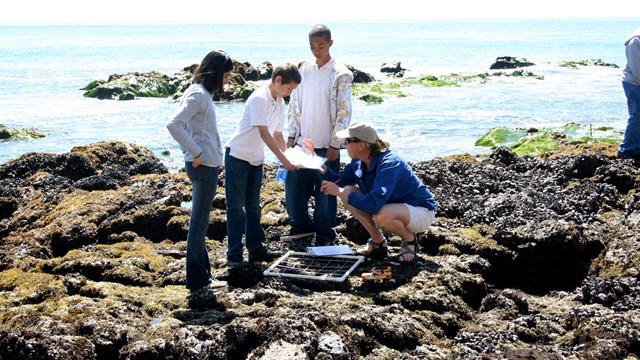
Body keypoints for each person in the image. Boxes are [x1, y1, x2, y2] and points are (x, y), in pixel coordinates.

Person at [317, 122, 437, 265]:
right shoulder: (358, 161)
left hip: (420, 212)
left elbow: (373, 205)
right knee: (348, 191)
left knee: (381, 214)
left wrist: (339, 191)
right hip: (389, 208)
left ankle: (409, 239)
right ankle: (378, 242)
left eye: (348, 141)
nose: (344, 144)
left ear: (361, 144)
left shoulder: (390, 163)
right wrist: (317, 164)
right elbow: (340, 182)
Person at [166, 50, 233, 293]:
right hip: (202, 166)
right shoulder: (198, 94)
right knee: (199, 224)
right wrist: (196, 153)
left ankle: (203, 276)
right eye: (225, 75)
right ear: (215, 73)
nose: (228, 80)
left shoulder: (201, 92)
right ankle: (197, 281)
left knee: (200, 223)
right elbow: (174, 124)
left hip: (206, 164)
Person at [224, 63, 301, 268]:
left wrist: (289, 156)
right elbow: (264, 133)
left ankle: (256, 248)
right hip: (237, 157)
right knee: (236, 209)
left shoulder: (280, 101)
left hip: (256, 159)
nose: (290, 92)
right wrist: (284, 161)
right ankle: (234, 256)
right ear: (277, 81)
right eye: (289, 88)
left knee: (253, 207)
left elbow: (277, 134)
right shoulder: (259, 98)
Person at [286, 24, 354, 244]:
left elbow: (345, 112)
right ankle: (301, 227)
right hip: (301, 144)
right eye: (312, 46)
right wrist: (291, 135)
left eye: (321, 46)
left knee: (326, 194)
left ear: (330, 44)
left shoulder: (341, 73)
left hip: (327, 145)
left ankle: (325, 233)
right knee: (295, 189)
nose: (316, 50)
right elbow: (294, 104)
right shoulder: (304, 69)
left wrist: (336, 144)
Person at [619, 26, 640, 162]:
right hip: (634, 83)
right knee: (637, 115)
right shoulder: (635, 40)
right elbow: (637, 69)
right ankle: (627, 150)